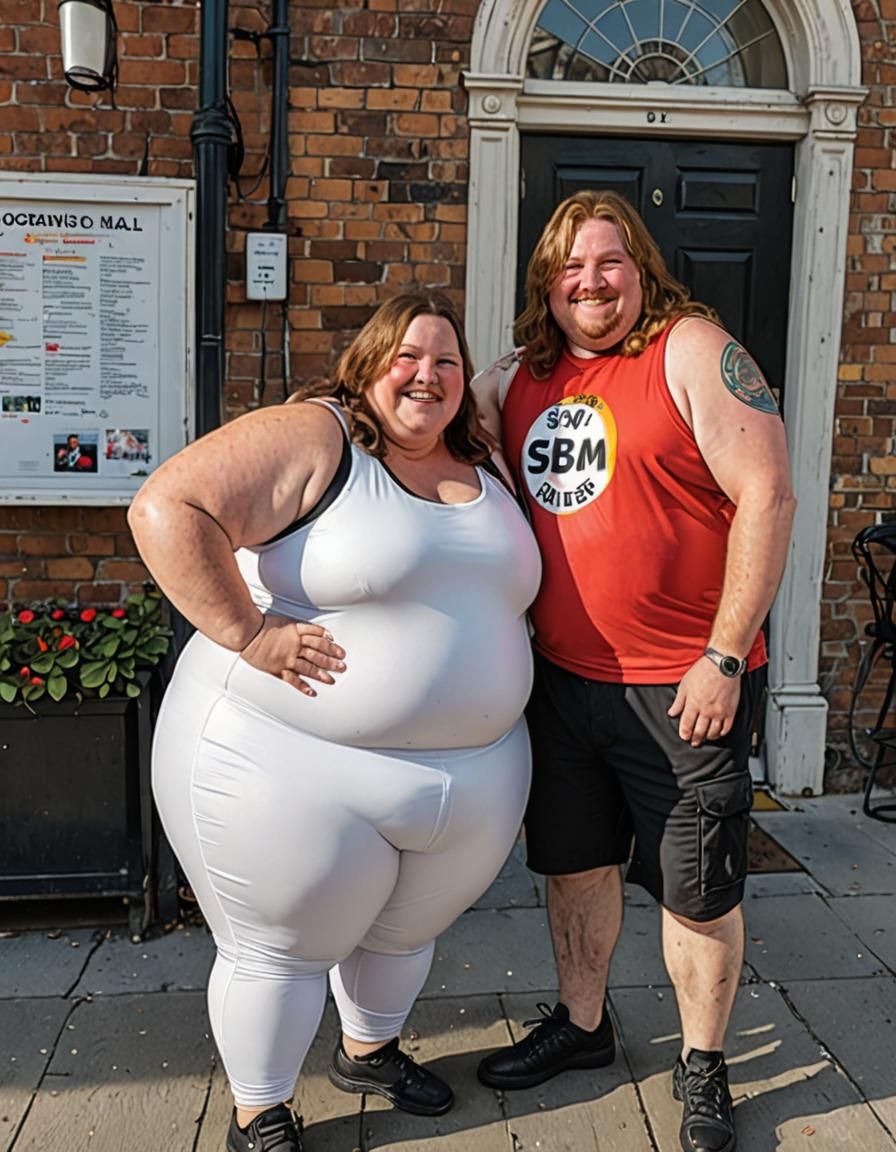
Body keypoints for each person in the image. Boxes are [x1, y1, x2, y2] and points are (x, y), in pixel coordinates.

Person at [128, 291, 541, 1152]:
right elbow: (166, 507)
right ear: (368, 364)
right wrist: (249, 633)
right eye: (407, 357)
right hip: (291, 759)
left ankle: (369, 1052)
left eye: (446, 361)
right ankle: (260, 1113)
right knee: (278, 951)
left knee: (402, 932)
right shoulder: (321, 438)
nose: (426, 376)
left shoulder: (483, 457)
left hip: (471, 772)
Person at [473, 190, 795, 1152]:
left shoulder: (691, 351)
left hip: (686, 686)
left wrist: (724, 657)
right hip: (564, 683)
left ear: (642, 268)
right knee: (574, 864)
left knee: (699, 886)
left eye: (607, 261)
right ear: (546, 284)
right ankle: (583, 1027)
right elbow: (417, 404)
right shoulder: (519, 378)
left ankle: (704, 1065)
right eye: (568, 268)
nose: (590, 282)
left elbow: (768, 496)